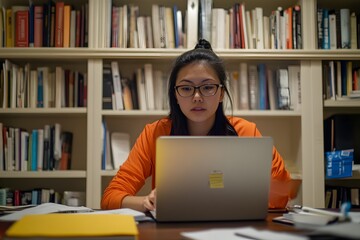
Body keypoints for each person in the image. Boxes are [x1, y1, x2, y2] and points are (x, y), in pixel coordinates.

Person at [101, 39, 295, 212]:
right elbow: (110, 197)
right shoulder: (155, 133)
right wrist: (146, 201)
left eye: (208, 87)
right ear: (175, 95)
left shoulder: (245, 131)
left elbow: (281, 196)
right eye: (186, 88)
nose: (197, 97)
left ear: (220, 94)